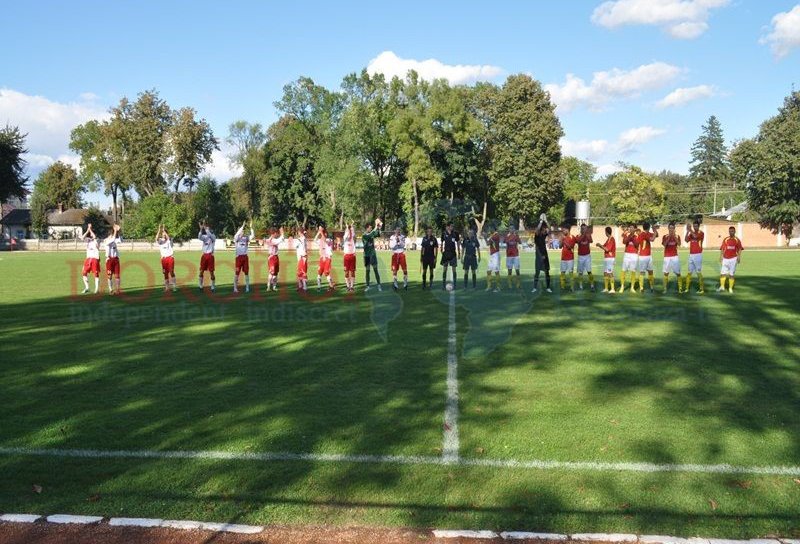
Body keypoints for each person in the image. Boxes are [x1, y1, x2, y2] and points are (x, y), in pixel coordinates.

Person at [718, 225, 743, 293]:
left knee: (731, 274)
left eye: (732, 231)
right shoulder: (726, 239)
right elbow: (722, 248)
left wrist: (739, 257)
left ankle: (730, 288)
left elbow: (740, 248)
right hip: (725, 259)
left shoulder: (737, 240)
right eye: (730, 231)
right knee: (722, 273)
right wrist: (721, 257)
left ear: (734, 231)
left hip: (733, 259)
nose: (731, 232)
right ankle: (722, 287)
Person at [636, 222, 659, 293]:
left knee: (650, 271)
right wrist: (654, 229)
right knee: (642, 272)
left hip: (648, 255)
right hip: (643, 256)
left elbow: (657, 235)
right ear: (649, 228)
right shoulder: (643, 234)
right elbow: (652, 239)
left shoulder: (648, 233)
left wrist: (655, 229)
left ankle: (651, 287)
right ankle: (641, 288)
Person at [233, 220, 254, 293]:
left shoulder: (246, 238)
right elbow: (236, 235)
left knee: (246, 273)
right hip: (238, 258)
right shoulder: (237, 238)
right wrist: (242, 226)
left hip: (245, 257)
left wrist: (251, 227)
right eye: (242, 231)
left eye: (243, 231)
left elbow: (252, 236)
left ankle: (247, 287)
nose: (243, 232)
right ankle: (235, 288)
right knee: (237, 273)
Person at [532, 214, 551, 293]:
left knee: (547, 272)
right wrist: (541, 221)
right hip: (539, 255)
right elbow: (537, 230)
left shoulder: (543, 235)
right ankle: (535, 287)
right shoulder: (536, 235)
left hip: (544, 254)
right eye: (542, 229)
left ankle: (548, 287)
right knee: (537, 272)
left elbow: (549, 229)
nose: (544, 230)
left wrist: (545, 221)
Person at [684, 220, 705, 294]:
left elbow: (696, 236)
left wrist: (690, 230)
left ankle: (701, 289)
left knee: (698, 272)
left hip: (698, 255)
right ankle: (686, 288)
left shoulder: (701, 233)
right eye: (694, 226)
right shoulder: (691, 233)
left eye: (696, 226)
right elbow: (686, 240)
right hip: (691, 255)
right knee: (689, 272)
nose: (695, 227)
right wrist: (687, 231)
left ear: (698, 226)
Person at [362, 218, 383, 292]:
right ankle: (367, 286)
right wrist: (375, 226)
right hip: (367, 256)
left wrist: (379, 227)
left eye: (371, 228)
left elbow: (378, 234)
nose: (371, 229)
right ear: (367, 228)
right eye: (370, 228)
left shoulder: (371, 233)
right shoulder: (364, 235)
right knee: (367, 271)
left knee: (375, 270)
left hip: (373, 255)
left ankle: (379, 285)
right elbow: (370, 235)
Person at [262, 226, 285, 292]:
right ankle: (268, 286)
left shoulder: (270, 239)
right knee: (271, 273)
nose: (277, 234)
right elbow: (279, 240)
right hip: (272, 257)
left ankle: (274, 286)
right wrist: (282, 233)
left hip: (275, 257)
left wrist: (281, 234)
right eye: (276, 233)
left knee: (275, 273)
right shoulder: (272, 240)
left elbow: (279, 240)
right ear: (274, 233)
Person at [661, 221, 682, 294]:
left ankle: (680, 288)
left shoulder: (677, 236)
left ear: (674, 228)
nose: (671, 229)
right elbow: (664, 244)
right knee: (666, 273)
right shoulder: (665, 236)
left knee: (678, 273)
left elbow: (679, 244)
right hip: (667, 257)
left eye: (672, 228)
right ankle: (665, 288)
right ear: (668, 228)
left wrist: (674, 236)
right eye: (670, 228)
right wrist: (669, 236)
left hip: (675, 256)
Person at [80, 223, 100, 294]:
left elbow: (94, 236)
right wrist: (87, 230)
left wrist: (90, 229)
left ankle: (96, 289)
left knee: (96, 274)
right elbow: (82, 238)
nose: (91, 234)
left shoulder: (97, 240)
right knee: (84, 273)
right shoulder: (88, 240)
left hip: (95, 258)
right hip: (88, 259)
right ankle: (87, 287)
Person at [156, 224, 177, 292]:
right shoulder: (160, 241)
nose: (163, 235)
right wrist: (159, 230)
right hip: (164, 259)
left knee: (171, 272)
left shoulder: (169, 240)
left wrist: (164, 230)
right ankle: (167, 288)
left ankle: (174, 287)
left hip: (170, 258)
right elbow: (156, 238)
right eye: (163, 234)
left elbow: (168, 238)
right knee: (165, 273)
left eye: (164, 234)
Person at [596, 226, 616, 294]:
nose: (605, 233)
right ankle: (606, 288)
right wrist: (599, 245)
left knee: (610, 273)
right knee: (605, 273)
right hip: (606, 258)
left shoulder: (612, 239)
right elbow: (604, 246)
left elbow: (607, 249)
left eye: (605, 232)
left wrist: (600, 245)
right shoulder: (608, 239)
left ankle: (613, 289)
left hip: (610, 258)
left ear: (607, 232)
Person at [620, 224, 639, 293]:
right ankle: (622, 286)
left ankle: (632, 287)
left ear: (635, 229)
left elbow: (637, 244)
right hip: (627, 254)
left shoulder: (637, 235)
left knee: (633, 271)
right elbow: (624, 242)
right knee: (623, 270)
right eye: (630, 227)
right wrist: (629, 237)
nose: (630, 229)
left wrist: (632, 238)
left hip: (634, 255)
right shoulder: (627, 235)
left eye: (632, 228)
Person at [441, 222, 460, 290]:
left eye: (453, 226)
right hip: (446, 254)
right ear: (448, 226)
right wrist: (441, 249)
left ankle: (454, 284)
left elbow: (458, 243)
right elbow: (442, 242)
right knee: (444, 270)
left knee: (454, 270)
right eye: (451, 226)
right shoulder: (444, 233)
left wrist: (459, 252)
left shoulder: (455, 234)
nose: (452, 227)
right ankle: (443, 285)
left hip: (453, 254)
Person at [314, 226, 334, 291]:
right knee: (319, 272)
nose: (323, 235)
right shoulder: (320, 240)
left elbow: (325, 240)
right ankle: (319, 287)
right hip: (322, 258)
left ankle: (331, 286)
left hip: (327, 258)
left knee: (326, 272)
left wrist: (321, 232)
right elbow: (315, 240)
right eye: (323, 233)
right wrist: (318, 232)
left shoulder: (329, 240)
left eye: (324, 233)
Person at [575, 224, 595, 291]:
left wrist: (587, 234)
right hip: (580, 256)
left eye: (585, 228)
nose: (584, 229)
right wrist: (584, 234)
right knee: (580, 272)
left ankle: (592, 285)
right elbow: (578, 241)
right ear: (581, 229)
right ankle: (580, 286)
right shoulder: (578, 235)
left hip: (587, 256)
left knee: (589, 271)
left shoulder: (588, 235)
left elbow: (591, 241)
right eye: (582, 228)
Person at [104, 224, 122, 295]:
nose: (112, 236)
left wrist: (118, 231)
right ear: (108, 235)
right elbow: (113, 239)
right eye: (111, 235)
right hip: (109, 260)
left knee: (117, 275)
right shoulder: (106, 240)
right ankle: (111, 290)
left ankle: (117, 290)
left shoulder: (113, 240)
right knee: (109, 275)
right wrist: (115, 230)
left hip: (116, 259)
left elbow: (120, 240)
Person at [389, 226, 408, 291]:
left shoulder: (402, 236)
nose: (398, 231)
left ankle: (405, 283)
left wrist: (399, 241)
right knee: (394, 270)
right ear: (394, 230)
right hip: (395, 254)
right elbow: (391, 246)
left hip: (401, 254)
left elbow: (403, 245)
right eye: (397, 230)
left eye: (399, 230)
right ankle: (395, 284)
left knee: (405, 270)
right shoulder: (392, 237)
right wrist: (395, 241)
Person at [198, 222, 216, 292]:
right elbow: (199, 237)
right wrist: (200, 229)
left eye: (207, 227)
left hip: (210, 256)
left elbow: (209, 235)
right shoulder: (204, 237)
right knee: (201, 271)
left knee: (211, 272)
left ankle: (212, 287)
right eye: (206, 227)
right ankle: (200, 286)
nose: (206, 229)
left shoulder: (213, 236)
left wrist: (205, 228)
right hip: (204, 256)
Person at [559, 225, 577, 291]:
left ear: (568, 230)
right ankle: (562, 286)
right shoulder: (563, 237)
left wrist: (564, 240)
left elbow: (570, 247)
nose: (563, 232)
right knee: (562, 272)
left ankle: (572, 287)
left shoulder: (572, 237)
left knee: (570, 273)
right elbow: (560, 247)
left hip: (570, 258)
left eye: (564, 230)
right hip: (563, 258)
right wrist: (561, 241)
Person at [342, 223, 356, 293]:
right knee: (346, 272)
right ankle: (348, 286)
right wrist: (347, 227)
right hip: (346, 256)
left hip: (352, 256)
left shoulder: (353, 237)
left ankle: (352, 286)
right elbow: (347, 234)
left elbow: (352, 233)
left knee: (353, 272)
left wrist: (351, 226)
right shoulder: (345, 237)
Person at [295, 227, 309, 291]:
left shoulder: (300, 239)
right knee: (300, 272)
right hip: (302, 257)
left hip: (302, 257)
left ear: (299, 232)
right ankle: (301, 286)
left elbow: (296, 246)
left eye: (298, 232)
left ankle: (304, 287)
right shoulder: (303, 238)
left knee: (302, 272)